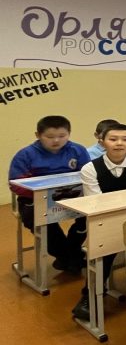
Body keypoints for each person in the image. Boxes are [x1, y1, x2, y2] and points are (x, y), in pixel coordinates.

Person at [74, 123, 126, 320]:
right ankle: (90, 296)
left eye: (125, 139)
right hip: (104, 218)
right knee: (103, 250)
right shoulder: (90, 168)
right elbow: (96, 202)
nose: (119, 143)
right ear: (102, 142)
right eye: (113, 139)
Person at [8, 115, 90, 273]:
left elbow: (88, 174)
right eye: (50, 137)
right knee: (41, 223)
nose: (56, 141)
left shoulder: (77, 150)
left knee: (90, 217)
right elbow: (15, 184)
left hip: (73, 196)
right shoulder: (25, 154)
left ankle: (73, 250)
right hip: (34, 199)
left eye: (62, 136)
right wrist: (42, 191)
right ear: (38, 135)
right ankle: (69, 256)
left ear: (69, 134)